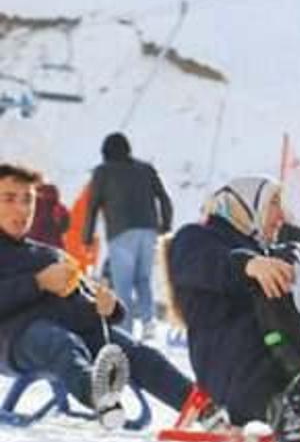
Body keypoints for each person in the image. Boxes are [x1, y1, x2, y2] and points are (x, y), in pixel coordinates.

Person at [0, 163, 192, 427]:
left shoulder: (49, 255)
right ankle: (99, 396)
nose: (22, 209)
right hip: (13, 340)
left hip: (68, 331)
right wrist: (37, 283)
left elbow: (80, 302)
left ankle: (196, 403)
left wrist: (107, 307)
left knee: (131, 350)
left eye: (28, 200)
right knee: (57, 342)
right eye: (9, 199)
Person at [167, 176, 300, 442]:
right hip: (225, 355)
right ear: (246, 204)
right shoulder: (196, 236)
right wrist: (248, 265)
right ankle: (278, 407)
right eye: (273, 203)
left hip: (269, 348)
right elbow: (208, 265)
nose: (281, 214)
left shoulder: (263, 247)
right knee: (265, 328)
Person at [83, 132, 174, 341]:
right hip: (149, 231)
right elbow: (164, 198)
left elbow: (93, 206)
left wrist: (87, 238)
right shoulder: (146, 169)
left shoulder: (103, 172)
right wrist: (165, 226)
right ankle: (148, 322)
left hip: (120, 232)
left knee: (122, 283)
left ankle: (125, 331)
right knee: (143, 279)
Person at [28, 183, 70, 248]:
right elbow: (64, 228)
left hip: (42, 244)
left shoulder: (39, 205)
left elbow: (64, 227)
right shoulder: (60, 208)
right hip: (51, 245)